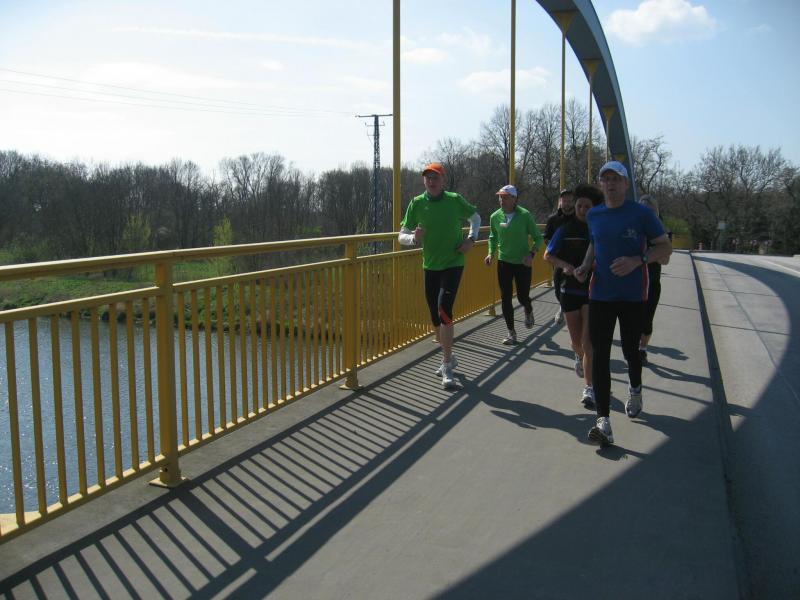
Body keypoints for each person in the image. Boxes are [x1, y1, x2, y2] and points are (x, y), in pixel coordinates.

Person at [574, 161, 672, 446]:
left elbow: (665, 247)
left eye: (616, 179)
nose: (610, 184)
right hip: (600, 294)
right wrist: (586, 265)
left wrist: (637, 260)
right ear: (601, 184)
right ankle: (603, 421)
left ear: (626, 184)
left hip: (632, 296)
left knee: (630, 351)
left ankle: (635, 389)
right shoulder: (595, 214)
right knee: (599, 354)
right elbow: (595, 244)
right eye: (605, 179)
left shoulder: (641, 214)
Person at [398, 162, 481, 390]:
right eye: (428, 178)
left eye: (435, 177)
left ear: (443, 180)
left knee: (444, 310)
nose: (431, 181)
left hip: (453, 262)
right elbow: (401, 235)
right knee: (435, 316)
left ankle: (446, 365)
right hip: (430, 265)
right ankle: (449, 356)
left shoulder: (454, 200)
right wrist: (413, 239)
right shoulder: (417, 203)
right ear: (424, 181)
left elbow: (475, 218)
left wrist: (471, 240)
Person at [543, 183, 604, 408]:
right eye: (579, 206)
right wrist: (566, 266)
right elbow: (548, 255)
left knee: (588, 343)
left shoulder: (599, 229)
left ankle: (589, 387)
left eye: (587, 207)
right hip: (569, 290)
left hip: (592, 291)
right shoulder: (565, 229)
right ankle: (578, 356)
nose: (583, 210)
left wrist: (593, 267)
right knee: (577, 343)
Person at [484, 184, 544, 345]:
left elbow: (538, 238)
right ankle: (511, 333)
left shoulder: (525, 215)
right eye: (500, 197)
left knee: (523, 297)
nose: (501, 200)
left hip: (522, 263)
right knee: (505, 298)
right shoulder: (495, 216)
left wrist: (531, 254)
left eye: (505, 197)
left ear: (514, 198)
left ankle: (528, 310)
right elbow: (492, 237)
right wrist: (491, 253)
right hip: (504, 262)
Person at [637, 195, 670, 366]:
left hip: (651, 283)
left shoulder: (660, 233)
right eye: (643, 210)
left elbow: (665, 260)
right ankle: (634, 347)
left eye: (650, 211)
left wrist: (649, 254)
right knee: (632, 321)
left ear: (656, 213)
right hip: (633, 283)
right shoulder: (633, 230)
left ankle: (642, 349)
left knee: (647, 321)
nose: (647, 214)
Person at [544, 188, 575, 325]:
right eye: (564, 201)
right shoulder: (553, 219)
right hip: (558, 259)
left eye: (569, 201)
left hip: (576, 258)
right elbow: (546, 237)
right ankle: (563, 305)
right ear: (560, 202)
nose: (567, 203)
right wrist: (553, 246)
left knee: (574, 287)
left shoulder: (579, 217)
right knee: (558, 288)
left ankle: (569, 311)